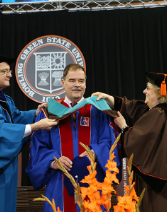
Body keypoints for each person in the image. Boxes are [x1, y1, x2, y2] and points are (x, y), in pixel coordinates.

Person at [0, 53, 58, 212]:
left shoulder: (3, 98)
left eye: (9, 71)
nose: (10, 75)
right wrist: (34, 127)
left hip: (5, 169)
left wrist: (35, 113)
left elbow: (15, 118)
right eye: (4, 71)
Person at [26, 63, 120, 212]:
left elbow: (110, 142)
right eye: (72, 80)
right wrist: (52, 161)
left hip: (93, 182)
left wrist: (95, 152)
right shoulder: (49, 111)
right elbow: (38, 146)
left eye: (81, 81)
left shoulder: (98, 109)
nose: (77, 85)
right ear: (63, 83)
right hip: (59, 183)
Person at [92, 72, 167, 212]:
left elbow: (138, 139)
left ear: (159, 93)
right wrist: (109, 98)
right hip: (158, 179)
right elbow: (133, 108)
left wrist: (124, 127)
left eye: (147, 88)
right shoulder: (155, 112)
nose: (144, 91)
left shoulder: (159, 114)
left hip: (157, 185)